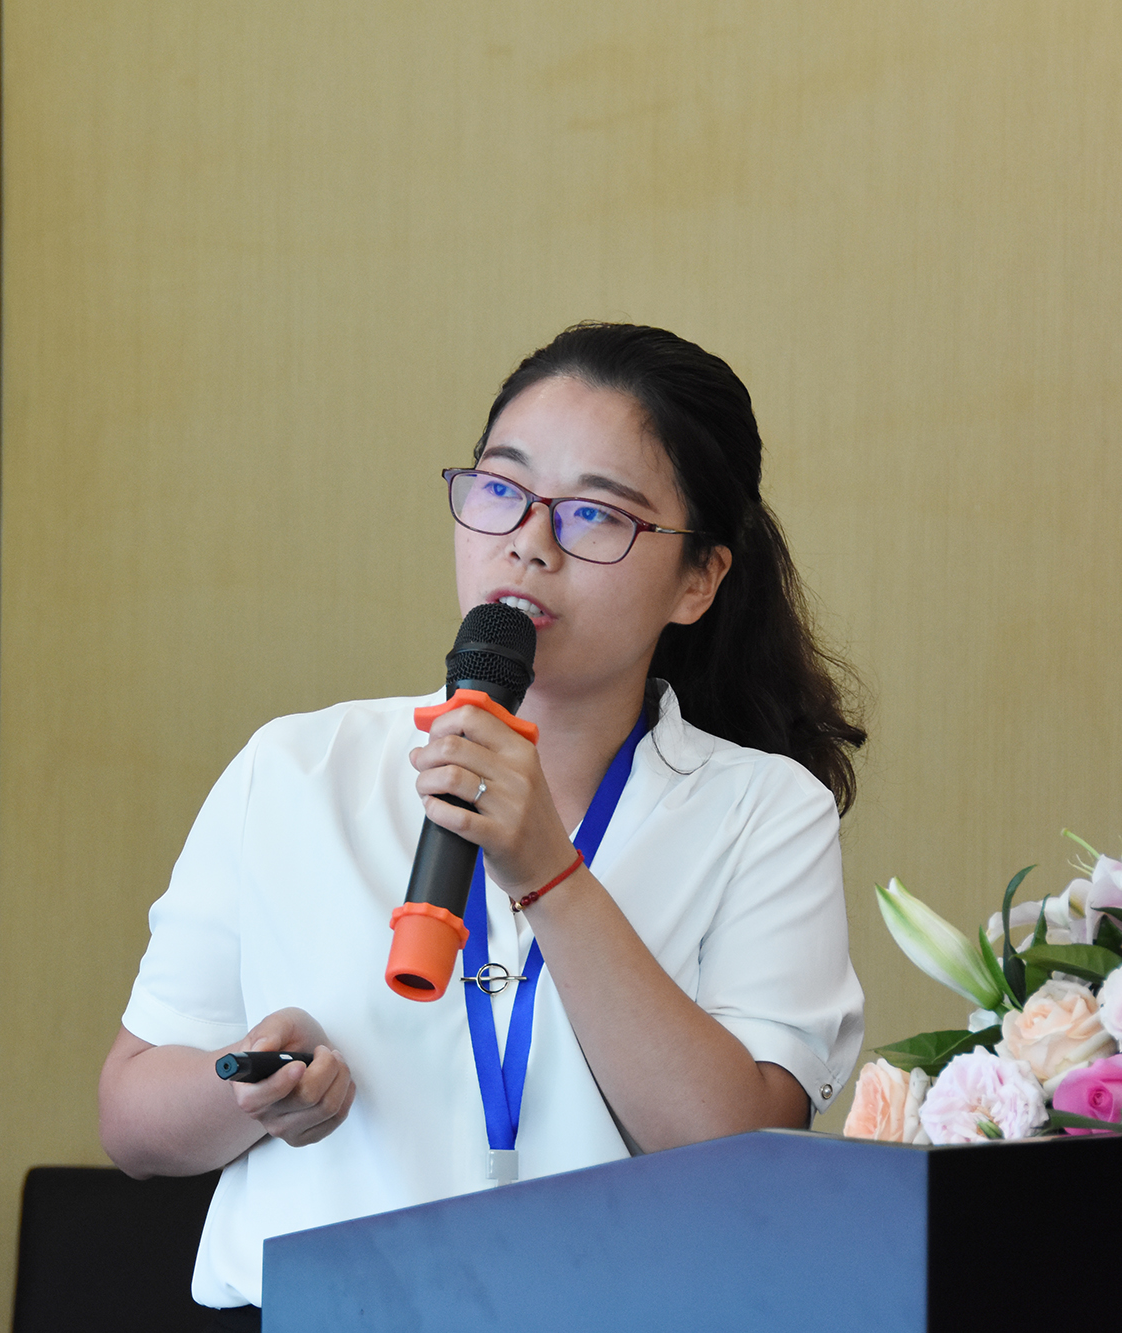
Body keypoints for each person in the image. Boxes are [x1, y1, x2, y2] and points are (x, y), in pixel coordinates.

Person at [97, 323, 867, 1327]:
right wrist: (247, 1087)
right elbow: (130, 1119)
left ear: (699, 579)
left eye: (595, 514)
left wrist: (549, 872)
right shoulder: (296, 769)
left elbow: (742, 1151)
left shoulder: (763, 810)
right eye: (502, 488)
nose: (529, 542)